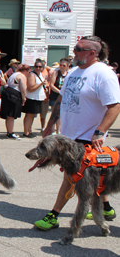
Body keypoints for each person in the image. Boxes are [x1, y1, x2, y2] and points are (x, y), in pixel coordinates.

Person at [36, 36, 120, 231]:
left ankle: (53, 215)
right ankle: (105, 208)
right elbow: (61, 100)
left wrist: (100, 132)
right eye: (75, 48)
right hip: (68, 134)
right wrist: (50, 126)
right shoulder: (74, 72)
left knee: (72, 176)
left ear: (93, 53)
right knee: (95, 175)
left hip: (88, 136)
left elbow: (114, 106)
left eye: (79, 49)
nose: (74, 52)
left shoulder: (104, 74)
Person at [0, 64, 30, 139]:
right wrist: (24, 98)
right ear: (25, 71)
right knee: (11, 115)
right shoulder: (22, 76)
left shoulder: (14, 74)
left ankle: (9, 131)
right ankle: (11, 133)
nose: (29, 74)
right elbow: (23, 89)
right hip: (14, 95)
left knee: (9, 115)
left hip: (7, 93)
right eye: (29, 72)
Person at [22, 59, 47, 138]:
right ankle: (26, 132)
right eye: (36, 66)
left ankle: (29, 130)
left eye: (40, 66)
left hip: (38, 98)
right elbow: (30, 88)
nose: (38, 68)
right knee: (29, 115)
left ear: (43, 67)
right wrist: (41, 84)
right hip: (32, 98)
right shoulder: (32, 75)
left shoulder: (40, 74)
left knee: (32, 115)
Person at [47, 58, 70, 135]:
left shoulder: (69, 74)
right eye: (61, 65)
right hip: (56, 95)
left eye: (64, 65)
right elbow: (51, 85)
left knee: (61, 113)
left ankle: (59, 130)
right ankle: (52, 129)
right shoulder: (56, 73)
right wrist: (60, 91)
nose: (62, 66)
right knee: (55, 112)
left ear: (67, 66)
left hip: (65, 96)